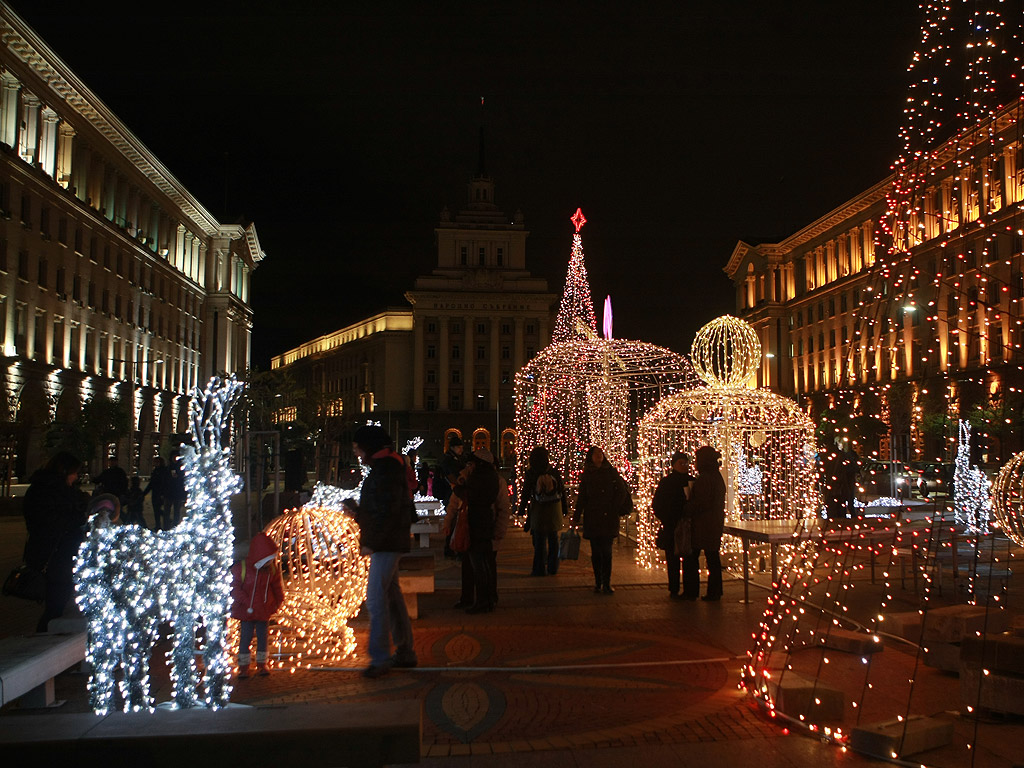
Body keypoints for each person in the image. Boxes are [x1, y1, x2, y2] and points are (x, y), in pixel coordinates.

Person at [350, 425, 416, 679]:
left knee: (375, 599)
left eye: (358, 448)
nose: (357, 453)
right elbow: (380, 509)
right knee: (392, 596)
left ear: (369, 448)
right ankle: (405, 650)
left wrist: (372, 542)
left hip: (386, 543)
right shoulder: (386, 467)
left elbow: (387, 513)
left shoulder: (386, 470)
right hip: (389, 540)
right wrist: (357, 512)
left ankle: (380, 658)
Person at [22, 451, 87, 632]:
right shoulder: (53, 492)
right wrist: (77, 517)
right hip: (56, 556)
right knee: (56, 605)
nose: (76, 476)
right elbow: (52, 522)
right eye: (74, 472)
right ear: (64, 471)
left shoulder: (42, 488)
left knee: (58, 603)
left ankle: (49, 639)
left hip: (51, 553)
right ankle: (45, 642)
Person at [572, 446, 632, 595]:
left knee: (606, 551)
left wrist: (614, 508)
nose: (599, 455)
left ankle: (606, 582)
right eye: (596, 453)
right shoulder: (587, 475)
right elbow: (582, 498)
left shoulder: (611, 472)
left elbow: (622, 491)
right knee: (596, 552)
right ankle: (598, 582)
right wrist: (576, 517)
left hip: (608, 517)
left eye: (600, 453)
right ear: (590, 457)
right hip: (593, 518)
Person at [230, 531, 285, 678]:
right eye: (268, 560)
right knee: (245, 639)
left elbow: (277, 587)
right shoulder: (241, 569)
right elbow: (233, 588)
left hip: (263, 610)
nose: (271, 563)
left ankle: (262, 665)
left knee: (262, 639)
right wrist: (246, 602)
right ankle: (243, 667)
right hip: (247, 612)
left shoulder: (271, 570)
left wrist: (278, 602)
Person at [682, 446, 727, 601]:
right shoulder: (716, 476)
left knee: (693, 558)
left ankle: (692, 591)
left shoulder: (705, 478)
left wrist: (687, 508)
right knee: (713, 557)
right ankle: (715, 591)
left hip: (703, 525)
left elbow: (701, 502)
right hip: (713, 524)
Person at [652, 451, 695, 600]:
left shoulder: (692, 481)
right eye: (680, 463)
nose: (684, 466)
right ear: (674, 465)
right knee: (673, 559)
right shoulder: (667, 482)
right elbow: (657, 504)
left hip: (689, 526)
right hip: (672, 525)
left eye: (685, 463)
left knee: (689, 559)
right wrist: (666, 518)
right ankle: (674, 588)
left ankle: (690, 589)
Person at [518, 446, 567, 577]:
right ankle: (553, 567)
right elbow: (562, 491)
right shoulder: (554, 472)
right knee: (553, 539)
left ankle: (539, 568)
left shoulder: (531, 473)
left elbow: (526, 493)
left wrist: (521, 510)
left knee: (539, 540)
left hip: (538, 510)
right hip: (554, 510)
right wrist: (565, 509)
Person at [143, 456, 173, 530]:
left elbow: (164, 483)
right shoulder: (155, 471)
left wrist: (163, 493)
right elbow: (152, 483)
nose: (155, 463)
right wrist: (144, 493)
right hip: (155, 493)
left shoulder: (163, 471)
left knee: (158, 509)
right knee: (156, 510)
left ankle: (163, 523)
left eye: (157, 462)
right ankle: (158, 525)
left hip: (160, 493)